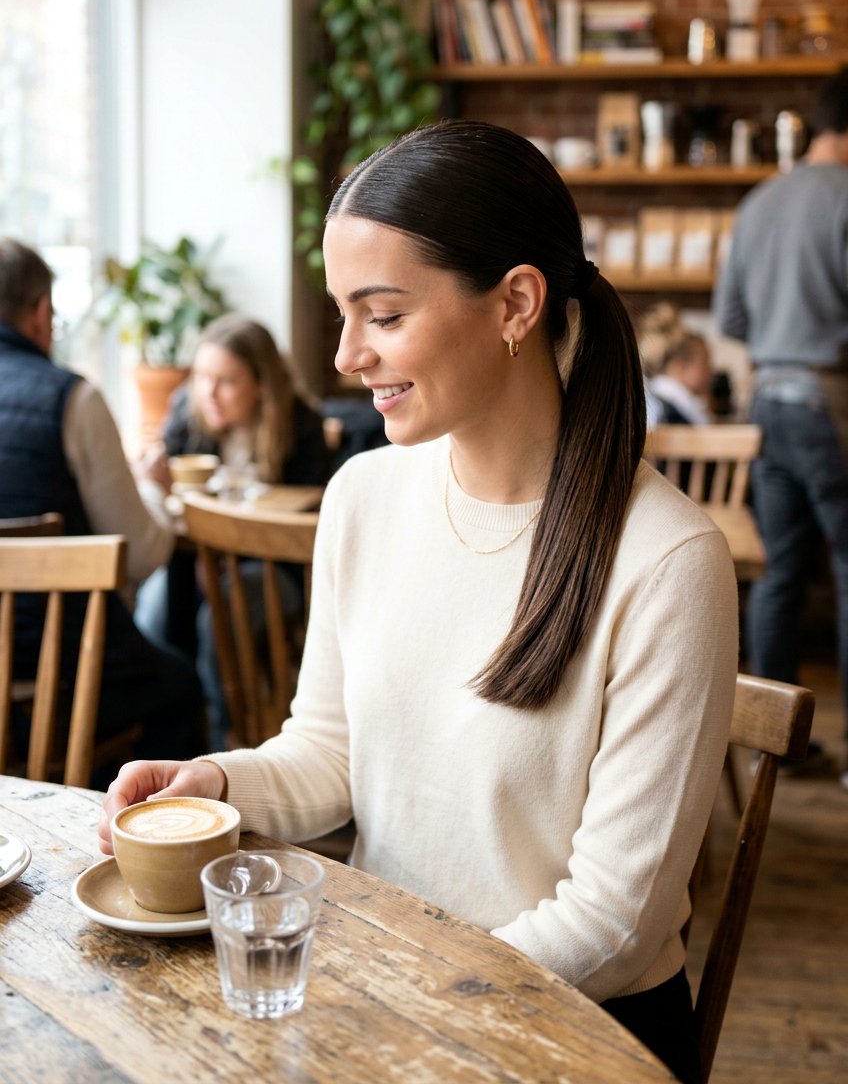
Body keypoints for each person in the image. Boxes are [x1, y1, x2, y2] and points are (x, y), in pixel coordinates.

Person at [100, 122, 737, 1083]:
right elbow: (330, 753)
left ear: (517, 302)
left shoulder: (669, 559)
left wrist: (408, 1010)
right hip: (397, 997)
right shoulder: (364, 495)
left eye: (384, 315)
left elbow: (614, 920)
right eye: (342, 315)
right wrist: (220, 784)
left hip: (573, 1030)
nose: (350, 355)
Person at [0, 237, 204, 778]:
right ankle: (140, 833)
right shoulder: (71, 399)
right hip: (55, 677)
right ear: (41, 312)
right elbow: (141, 555)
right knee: (181, 686)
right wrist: (154, 489)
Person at [714, 67, 848, 785]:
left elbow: (732, 319)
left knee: (780, 573)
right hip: (831, 401)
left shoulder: (759, 201)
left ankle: (776, 750)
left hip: (766, 401)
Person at [134, 314, 331, 748]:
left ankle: (227, 737)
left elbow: (312, 519)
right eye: (202, 376)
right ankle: (180, 730)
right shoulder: (187, 411)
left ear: (260, 384)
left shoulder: (299, 425)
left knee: (219, 614)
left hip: (273, 568)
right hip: (196, 561)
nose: (208, 393)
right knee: (151, 614)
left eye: (226, 381)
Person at [638, 301, 713, 427]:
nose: (710, 370)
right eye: (705, 362)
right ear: (680, 366)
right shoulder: (669, 412)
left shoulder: (654, 399)